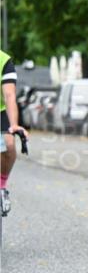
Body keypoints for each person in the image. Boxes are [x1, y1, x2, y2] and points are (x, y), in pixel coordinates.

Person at [1, 49, 27, 215]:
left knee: (9, 145)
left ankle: (1, 185)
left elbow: (9, 95)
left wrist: (14, 125)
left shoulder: (3, 60)